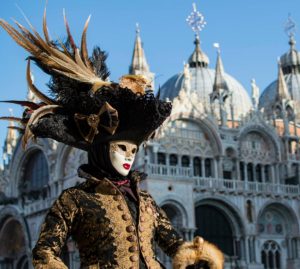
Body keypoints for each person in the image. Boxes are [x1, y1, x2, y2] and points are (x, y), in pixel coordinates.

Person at [0, 11, 224, 269]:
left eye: (132, 149)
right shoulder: (74, 200)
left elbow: (174, 245)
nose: (129, 155)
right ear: (100, 151)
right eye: (121, 147)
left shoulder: (147, 202)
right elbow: (45, 251)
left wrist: (196, 254)